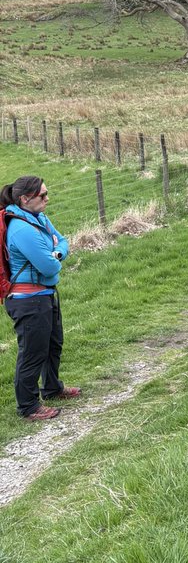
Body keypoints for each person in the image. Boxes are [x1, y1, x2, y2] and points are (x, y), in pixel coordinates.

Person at [1, 175, 80, 421]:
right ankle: (28, 406)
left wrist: (56, 250)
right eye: (42, 196)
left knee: (53, 345)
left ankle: (52, 388)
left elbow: (64, 242)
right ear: (25, 199)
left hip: (44, 294)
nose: (47, 199)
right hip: (29, 299)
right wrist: (56, 256)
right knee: (33, 353)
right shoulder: (22, 228)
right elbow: (49, 267)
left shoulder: (39, 218)